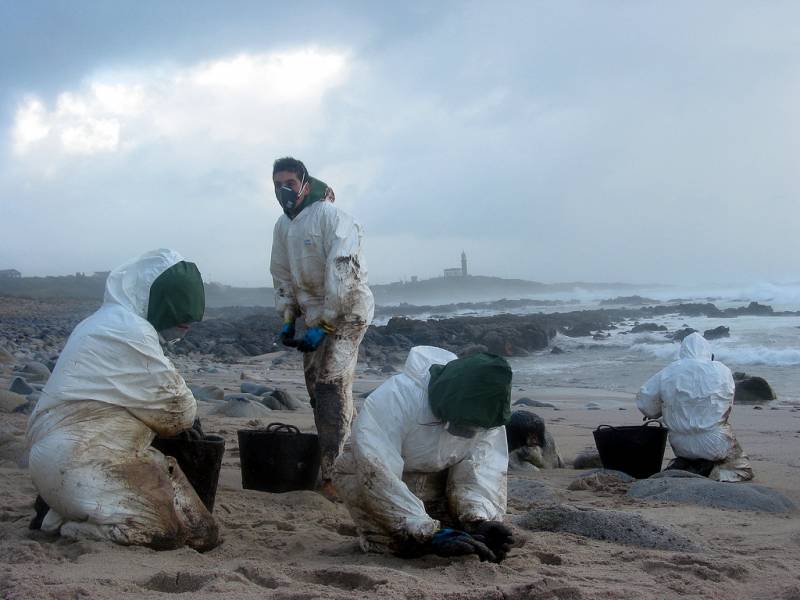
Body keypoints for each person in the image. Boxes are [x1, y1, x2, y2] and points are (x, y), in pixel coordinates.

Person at [26, 249, 220, 550]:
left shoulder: (108, 322)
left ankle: (66, 507)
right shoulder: (127, 332)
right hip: (78, 456)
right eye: (183, 319)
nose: (186, 325)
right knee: (161, 533)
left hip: (103, 449)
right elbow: (178, 414)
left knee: (202, 532)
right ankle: (65, 523)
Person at [334, 346, 515, 562]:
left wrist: (478, 518)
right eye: (464, 424)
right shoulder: (395, 399)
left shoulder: (488, 413)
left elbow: (480, 470)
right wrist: (427, 531)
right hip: (367, 473)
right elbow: (377, 470)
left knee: (467, 539)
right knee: (394, 543)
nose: (468, 432)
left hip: (436, 477)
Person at [269, 156, 374, 500]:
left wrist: (328, 321)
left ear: (304, 182)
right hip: (316, 318)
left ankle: (333, 476)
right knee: (318, 392)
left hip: (347, 312)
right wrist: (288, 317)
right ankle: (347, 456)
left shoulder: (332, 218)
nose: (283, 190)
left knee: (331, 385)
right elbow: (282, 274)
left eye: (289, 183)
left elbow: (342, 272)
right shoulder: (283, 227)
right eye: (277, 184)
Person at [636, 332, 753, 482]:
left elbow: (645, 404)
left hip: (680, 444)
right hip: (716, 441)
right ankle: (714, 473)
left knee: (689, 451)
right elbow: (727, 405)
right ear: (708, 352)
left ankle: (689, 464)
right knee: (741, 468)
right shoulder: (722, 370)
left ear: (683, 352)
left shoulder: (669, 371)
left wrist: (660, 410)